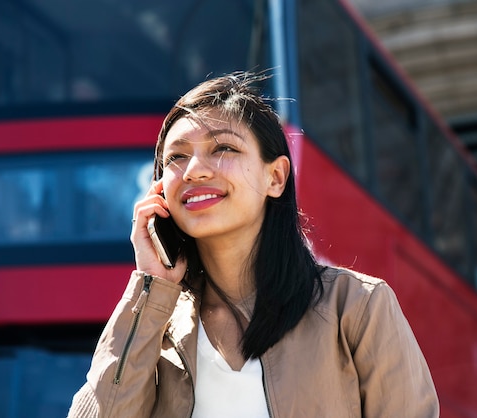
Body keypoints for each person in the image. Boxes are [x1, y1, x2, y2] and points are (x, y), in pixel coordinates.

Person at [68, 72, 439, 418]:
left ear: (275, 177)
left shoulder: (357, 306)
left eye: (223, 149)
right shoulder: (158, 326)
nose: (194, 169)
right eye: (176, 157)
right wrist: (150, 287)